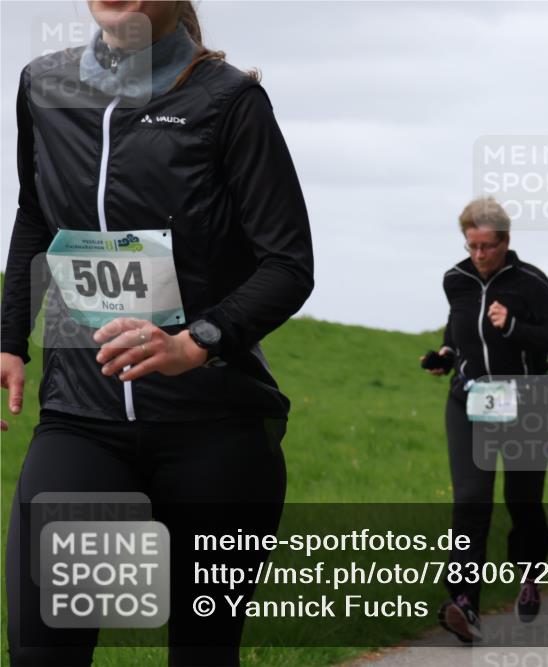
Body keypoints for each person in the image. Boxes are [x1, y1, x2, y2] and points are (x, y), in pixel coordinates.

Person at [0, 3, 314, 665]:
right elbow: (37, 212)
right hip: (82, 417)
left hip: (216, 428)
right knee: (41, 651)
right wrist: (9, 338)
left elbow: (288, 264)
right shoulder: (42, 86)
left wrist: (192, 343)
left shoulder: (230, 102)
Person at [421, 196, 548, 642]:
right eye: (472, 246)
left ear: (506, 241)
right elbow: (459, 327)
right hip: (471, 402)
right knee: (471, 501)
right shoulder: (456, 280)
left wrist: (513, 328)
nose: (480, 255)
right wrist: (446, 354)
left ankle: (528, 577)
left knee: (522, 502)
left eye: (488, 246)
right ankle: (464, 603)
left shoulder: (530, 283)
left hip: (528, 403)